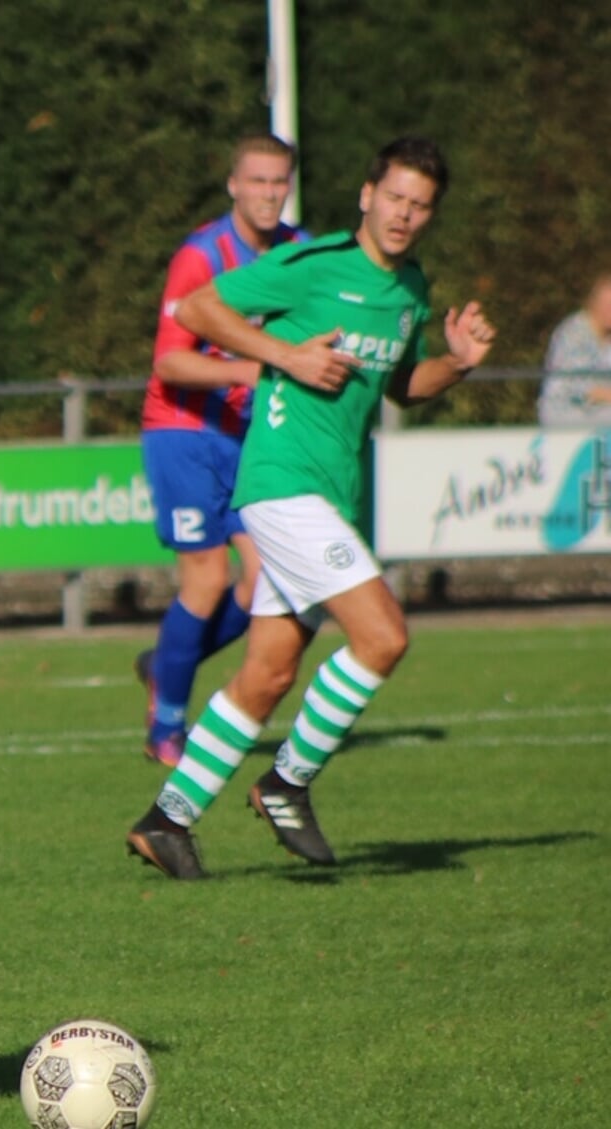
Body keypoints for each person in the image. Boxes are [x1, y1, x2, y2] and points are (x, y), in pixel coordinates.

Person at [126, 136, 497, 880]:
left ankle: (166, 820)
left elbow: (398, 387)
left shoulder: (411, 289)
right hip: (281, 485)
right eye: (393, 197)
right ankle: (286, 780)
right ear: (365, 195)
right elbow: (197, 310)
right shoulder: (312, 264)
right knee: (383, 637)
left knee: (266, 673)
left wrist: (453, 364)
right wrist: (283, 355)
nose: (403, 214)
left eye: (419, 204)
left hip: (333, 496)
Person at [134, 134, 307, 768]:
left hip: (247, 437)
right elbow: (171, 362)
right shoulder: (201, 256)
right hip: (181, 430)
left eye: (278, 182)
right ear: (234, 185)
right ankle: (167, 728)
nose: (267, 193)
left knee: (266, 580)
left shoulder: (299, 251)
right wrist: (252, 370)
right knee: (206, 580)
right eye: (256, 181)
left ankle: (167, 664)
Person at [537, 272, 611, 428]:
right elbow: (580, 385)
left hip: (599, 412)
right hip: (566, 413)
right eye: (606, 304)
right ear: (593, 303)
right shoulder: (574, 333)